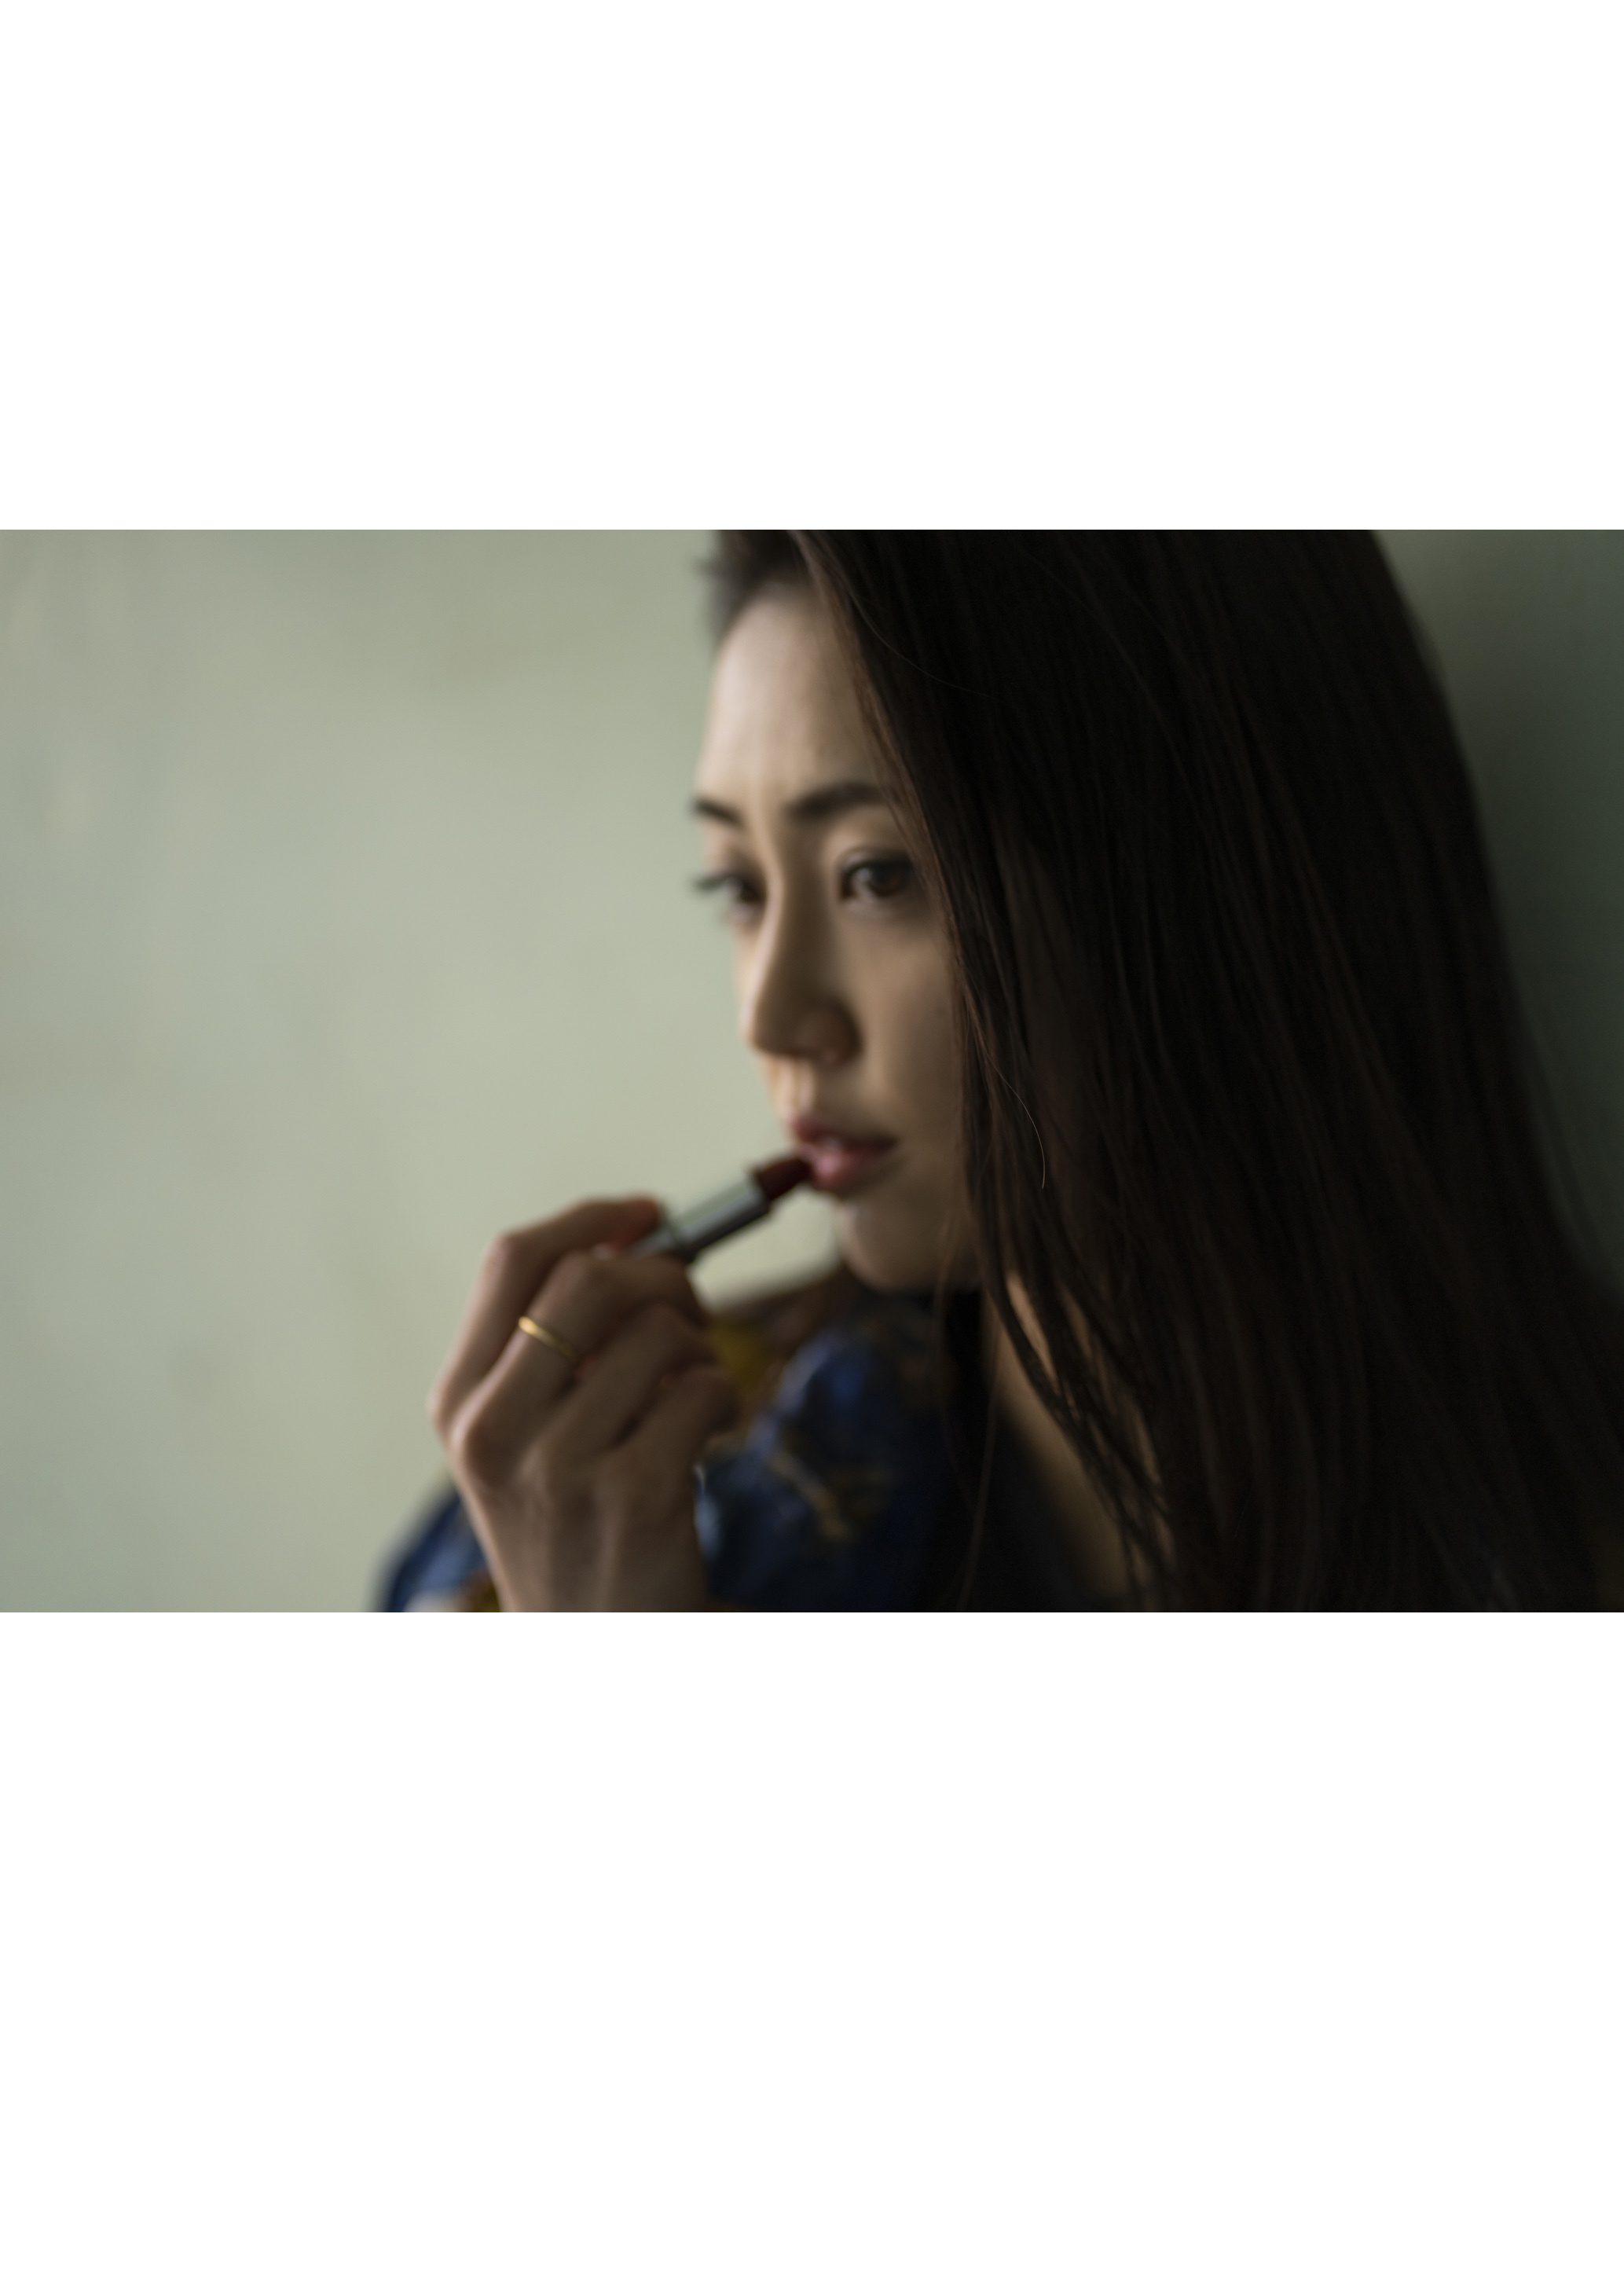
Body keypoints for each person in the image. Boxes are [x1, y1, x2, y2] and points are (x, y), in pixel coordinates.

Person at [385, 533, 1624, 1611]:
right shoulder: (626, 1498)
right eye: (740, 888)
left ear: (1196, 885)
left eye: (878, 875)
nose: (773, 1016)